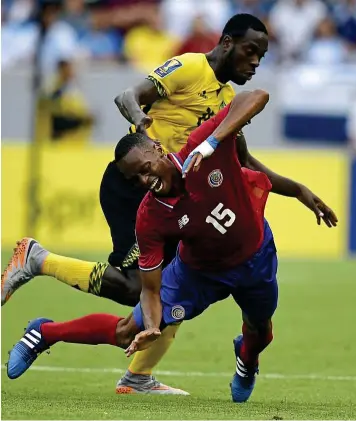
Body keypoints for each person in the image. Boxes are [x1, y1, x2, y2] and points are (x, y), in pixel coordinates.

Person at [1, 14, 331, 395]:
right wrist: (144, 129)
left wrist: (299, 191)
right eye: (250, 51)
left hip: (181, 190)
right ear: (226, 43)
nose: (256, 62)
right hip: (137, 186)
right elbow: (127, 96)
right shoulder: (191, 66)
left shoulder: (226, 101)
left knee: (166, 292)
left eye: (262, 56)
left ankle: (137, 376)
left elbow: (244, 162)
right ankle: (38, 260)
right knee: (136, 287)